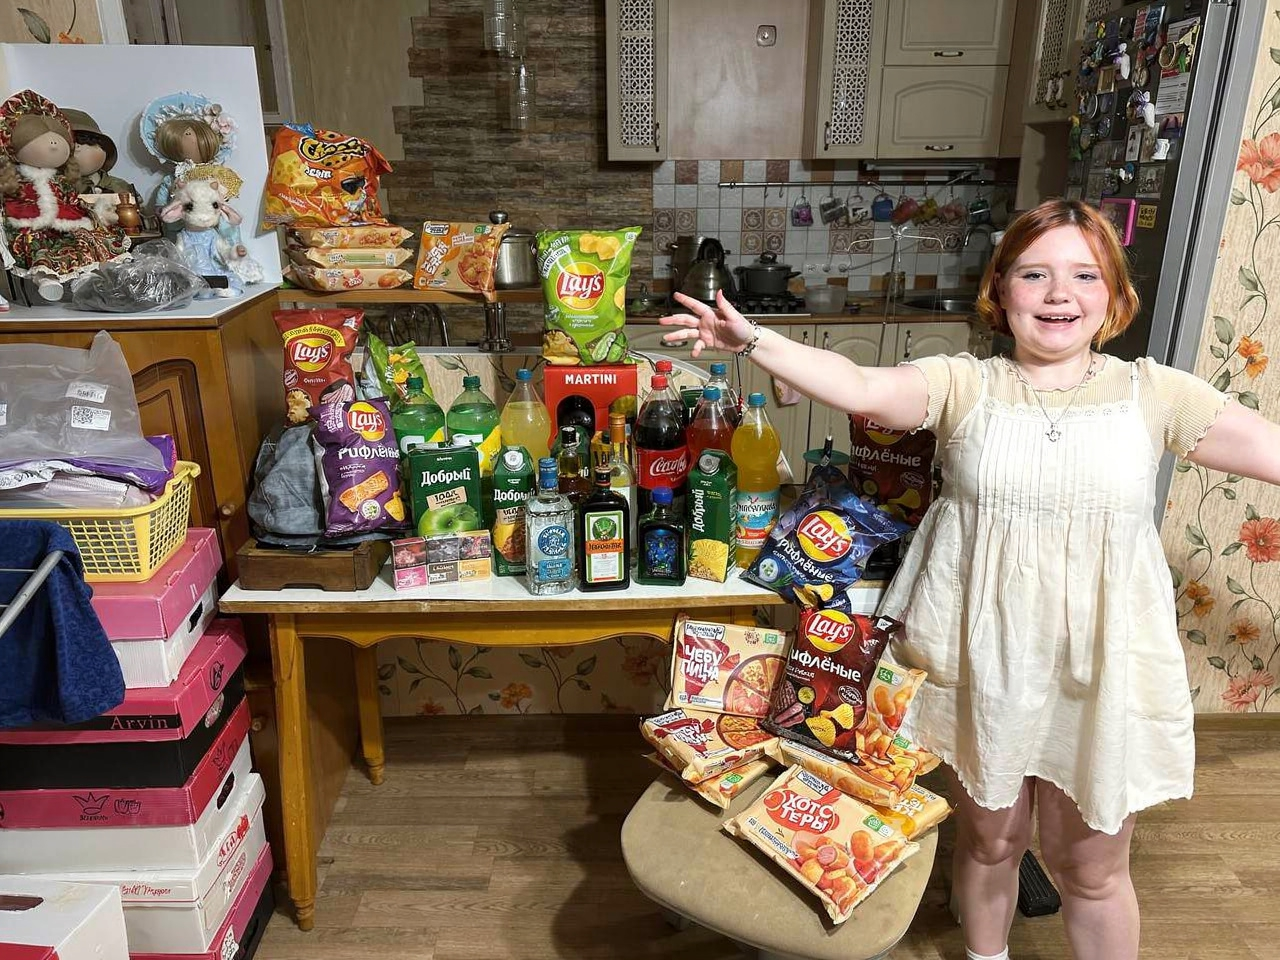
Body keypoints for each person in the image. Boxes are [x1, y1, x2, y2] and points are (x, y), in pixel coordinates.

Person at [660, 198, 1280, 960]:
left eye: (1085, 275)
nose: (1060, 294)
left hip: (1100, 668)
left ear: (1115, 295)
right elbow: (856, 384)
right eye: (1035, 274)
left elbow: (1271, 448)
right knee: (991, 843)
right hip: (982, 659)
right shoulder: (964, 384)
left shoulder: (1155, 394)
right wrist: (754, 339)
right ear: (1002, 289)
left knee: (1091, 870)